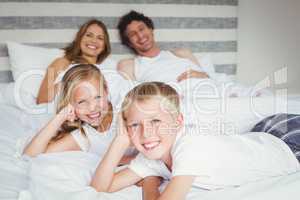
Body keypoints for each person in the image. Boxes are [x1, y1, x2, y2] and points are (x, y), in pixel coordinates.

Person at [90, 81, 299, 200]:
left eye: (155, 120)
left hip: (289, 143)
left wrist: (150, 183)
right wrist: (119, 141)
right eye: (135, 125)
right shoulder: (151, 154)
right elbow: (100, 188)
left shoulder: (189, 146)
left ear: (178, 121)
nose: (146, 133)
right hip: (260, 135)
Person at [24, 64, 114, 157]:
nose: (92, 108)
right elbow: (29, 155)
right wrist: (60, 117)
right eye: (82, 102)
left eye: (97, 97)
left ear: (106, 90)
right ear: (70, 104)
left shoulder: (122, 111)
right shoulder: (82, 136)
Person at [116, 10, 209, 83]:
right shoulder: (129, 65)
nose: (140, 36)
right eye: (133, 34)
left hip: (203, 91)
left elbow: (209, 78)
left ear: (151, 29)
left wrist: (202, 75)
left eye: (142, 29)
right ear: (129, 43)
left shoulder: (182, 54)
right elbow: (128, 96)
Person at [37, 19, 112, 104]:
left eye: (100, 38)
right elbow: (41, 99)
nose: (94, 40)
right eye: (89, 35)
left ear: (104, 46)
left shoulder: (108, 71)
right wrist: (72, 82)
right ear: (79, 38)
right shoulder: (62, 63)